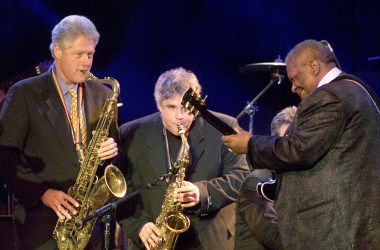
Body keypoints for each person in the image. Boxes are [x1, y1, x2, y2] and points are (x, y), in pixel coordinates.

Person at [222, 39, 380, 249]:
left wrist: (250, 144)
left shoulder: (329, 96)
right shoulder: (359, 90)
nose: (293, 87)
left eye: (295, 78)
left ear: (314, 66)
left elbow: (299, 149)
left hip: (333, 233)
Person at [0, 15, 119, 249]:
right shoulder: (24, 93)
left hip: (89, 221)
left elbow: (114, 151)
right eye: (79, 54)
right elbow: (5, 156)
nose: (86, 63)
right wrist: (42, 193)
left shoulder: (104, 95)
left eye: (91, 54)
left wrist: (112, 151)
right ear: (57, 50)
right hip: (42, 221)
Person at [116, 67, 249, 250]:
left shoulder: (224, 127)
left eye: (186, 108)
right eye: (171, 107)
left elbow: (241, 178)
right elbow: (119, 189)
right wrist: (139, 225)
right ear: (158, 105)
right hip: (153, 240)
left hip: (208, 240)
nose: (180, 117)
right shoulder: (131, 133)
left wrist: (201, 192)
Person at [235, 106, 297, 250]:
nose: (290, 149)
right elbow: (276, 237)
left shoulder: (298, 178)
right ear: (273, 144)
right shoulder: (257, 182)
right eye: (285, 142)